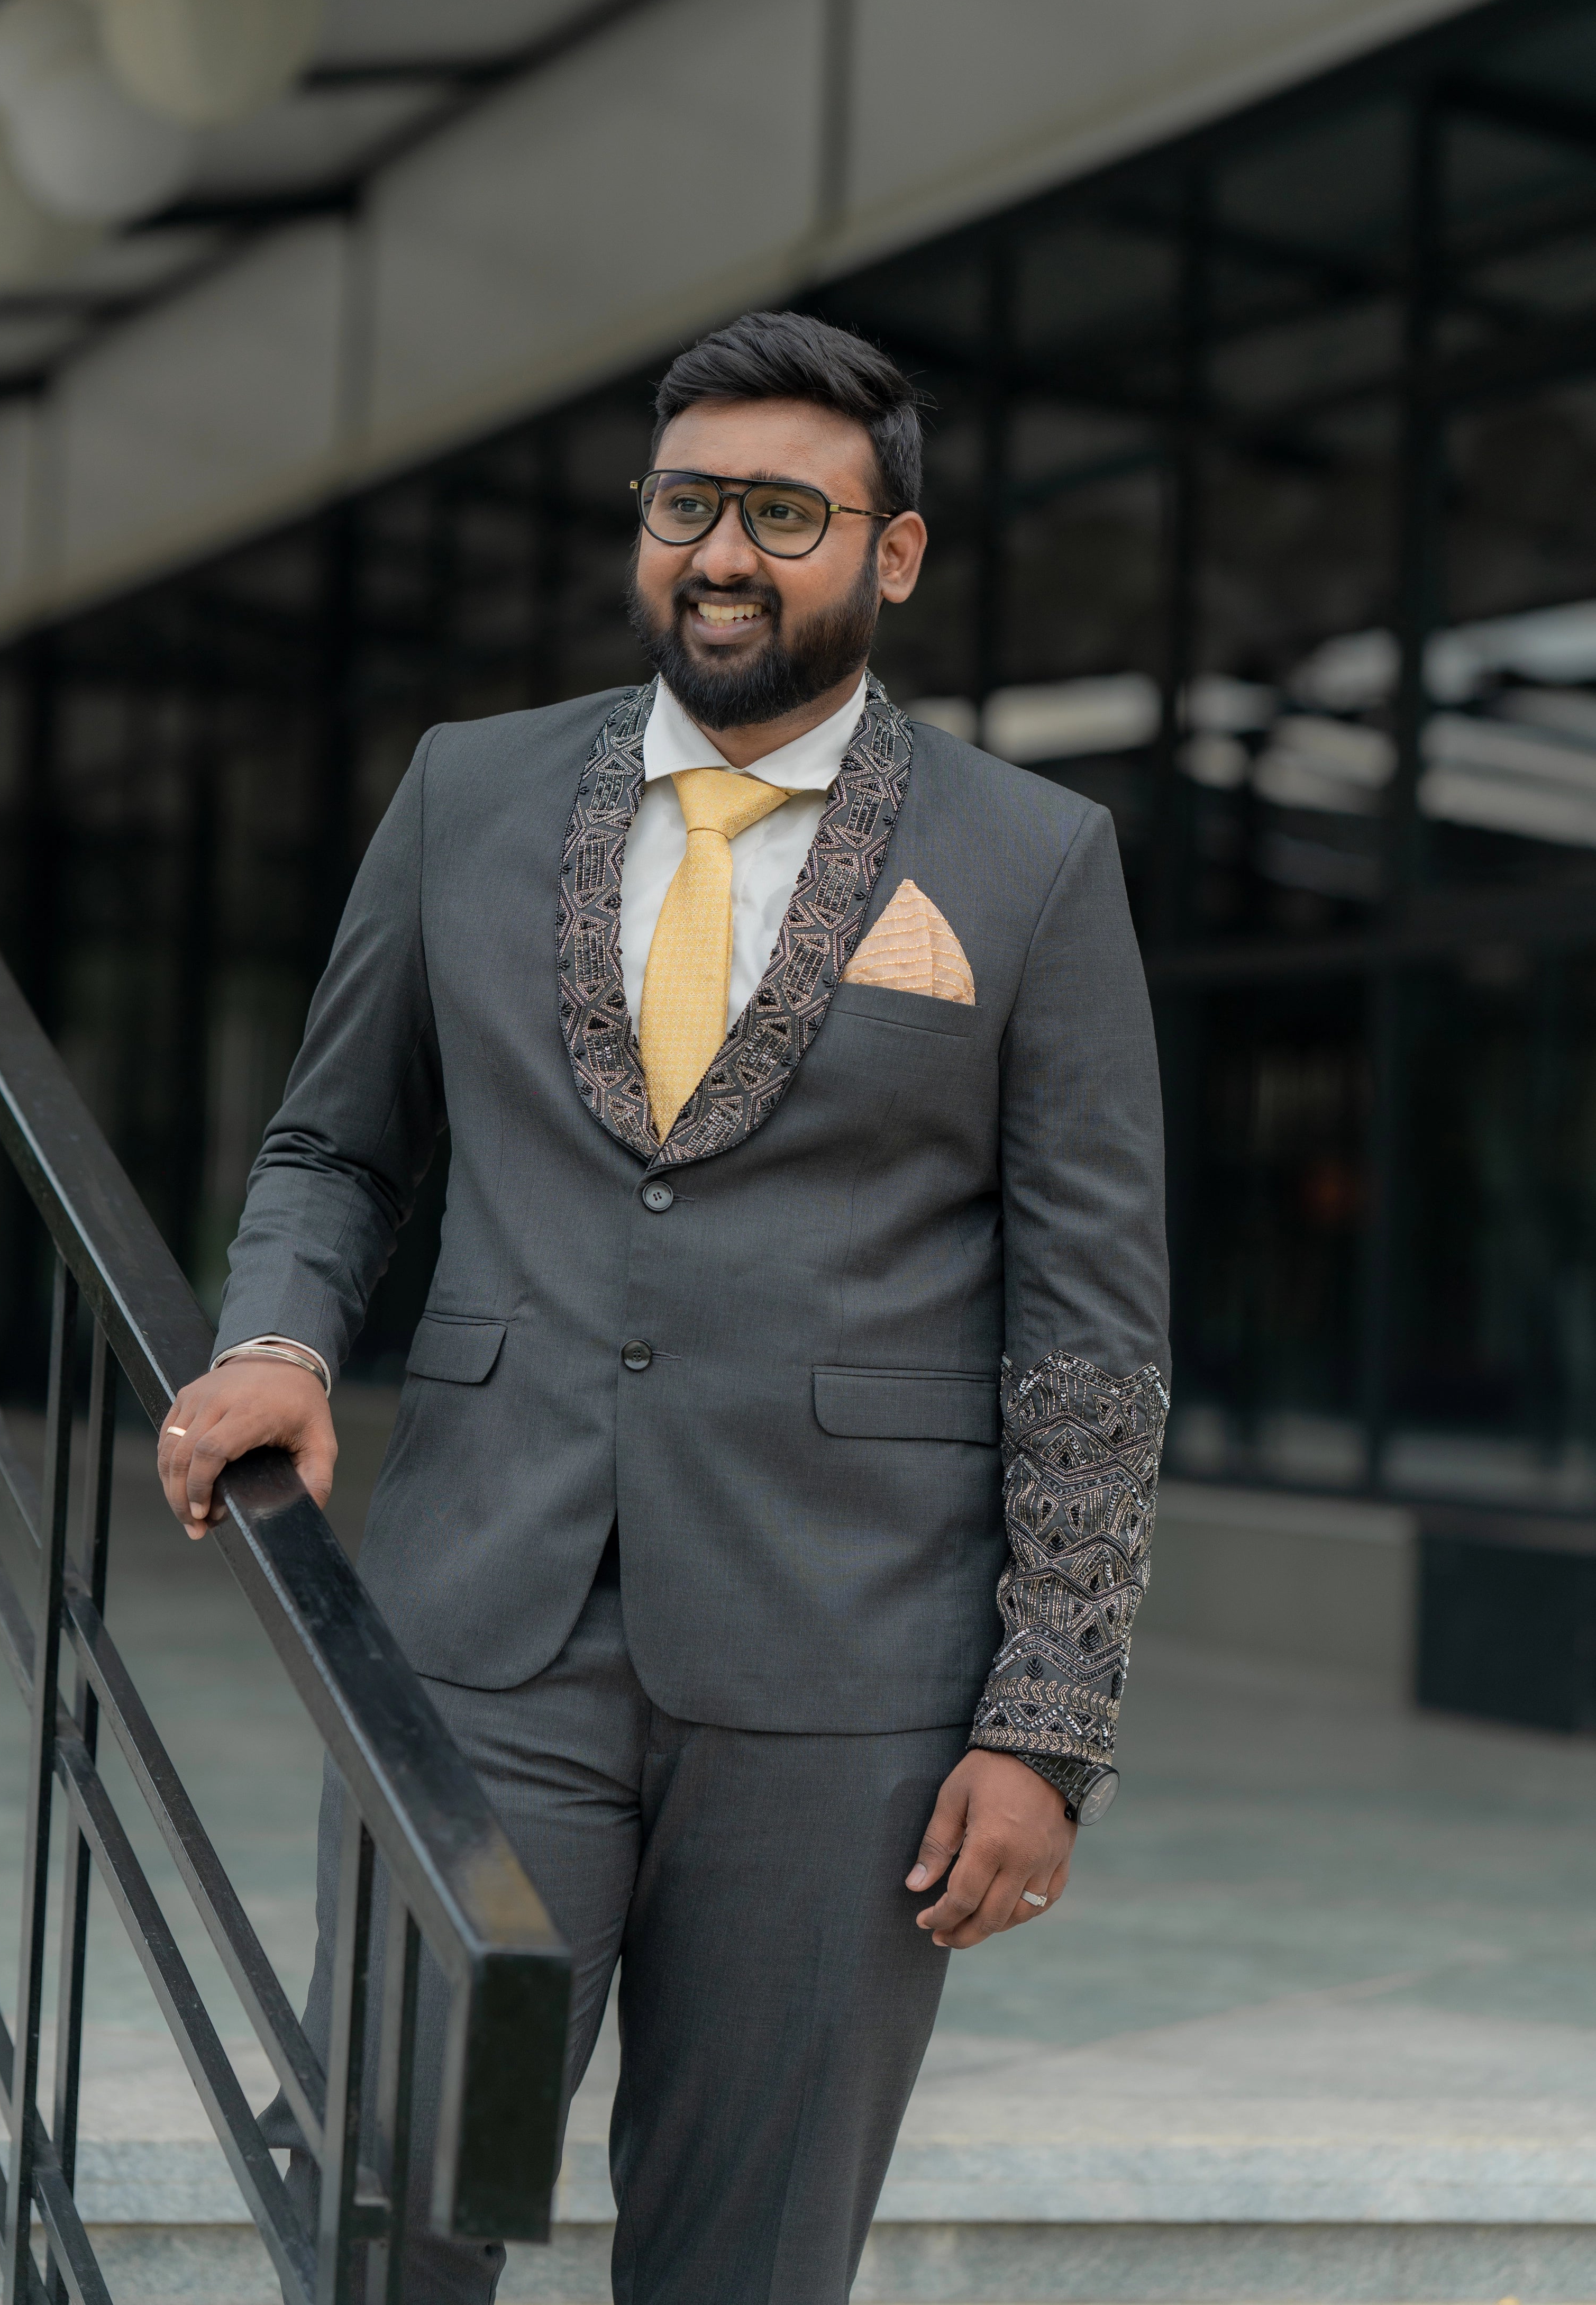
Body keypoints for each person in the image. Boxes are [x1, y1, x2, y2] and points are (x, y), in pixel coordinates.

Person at [156, 309, 1169, 2304]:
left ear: (894, 553)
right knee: (393, 2214)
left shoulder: (1036, 860)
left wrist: (1048, 1724)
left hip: (850, 1671)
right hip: (486, 1623)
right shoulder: (466, 792)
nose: (721, 554)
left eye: (784, 514)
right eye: (685, 503)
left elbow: (1090, 1328)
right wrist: (277, 1337)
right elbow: (337, 1145)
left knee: (747, 2261)